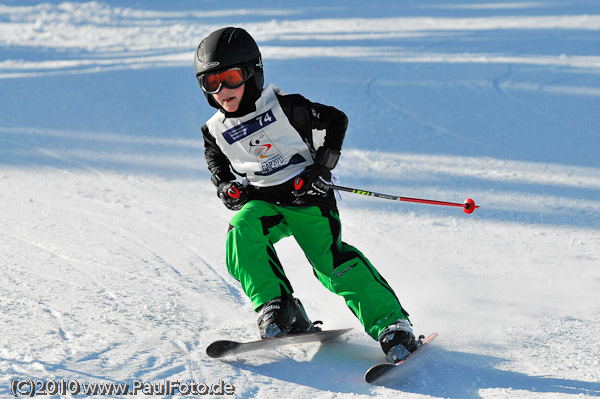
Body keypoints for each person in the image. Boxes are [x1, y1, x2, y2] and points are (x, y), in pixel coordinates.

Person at [195, 27, 417, 362]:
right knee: (242, 230)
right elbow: (218, 166)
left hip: (305, 195)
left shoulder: (287, 106)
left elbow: (335, 120)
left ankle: (391, 324)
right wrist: (226, 187)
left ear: (253, 73)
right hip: (263, 200)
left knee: (330, 264)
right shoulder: (215, 130)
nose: (223, 90)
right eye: (211, 83)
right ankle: (278, 307)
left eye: (231, 77)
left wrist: (322, 169)